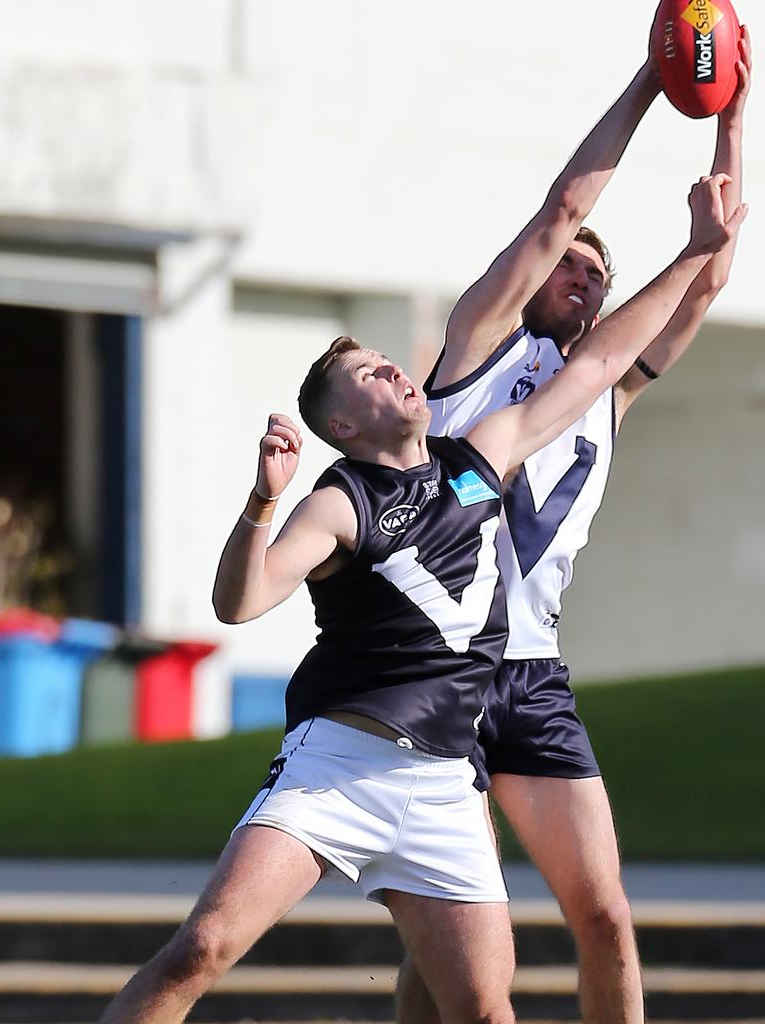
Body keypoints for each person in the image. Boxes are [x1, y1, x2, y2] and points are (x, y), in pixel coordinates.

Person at [96, 173, 745, 1024]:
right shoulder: (344, 498)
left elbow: (601, 360)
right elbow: (241, 602)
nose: (397, 370)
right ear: (346, 425)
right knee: (201, 948)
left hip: (442, 776)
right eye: (370, 372)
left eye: (386, 362)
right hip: (343, 761)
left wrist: (699, 248)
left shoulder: (477, 464)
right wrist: (262, 502)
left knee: (482, 1005)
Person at [397, 25, 751, 1024]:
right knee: (462, 944)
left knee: (604, 916)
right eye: (573, 269)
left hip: (535, 675)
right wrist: (654, 80)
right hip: (440, 669)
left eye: (600, 277)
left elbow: (710, 270)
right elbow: (561, 212)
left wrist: (729, 113)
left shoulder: (605, 389)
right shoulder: (474, 352)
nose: (585, 279)